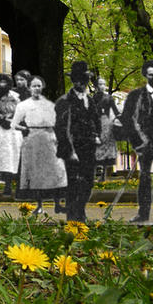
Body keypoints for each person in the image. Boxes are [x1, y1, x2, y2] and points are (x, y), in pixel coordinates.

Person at [121, 59, 153, 222]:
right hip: (143, 141)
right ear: (146, 75)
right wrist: (138, 142)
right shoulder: (135, 95)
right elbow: (127, 119)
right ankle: (142, 213)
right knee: (144, 177)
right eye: (151, 75)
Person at [12, 76, 66, 214]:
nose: (36, 88)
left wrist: (56, 137)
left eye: (38, 86)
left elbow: (57, 122)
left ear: (42, 87)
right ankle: (39, 205)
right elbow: (14, 124)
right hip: (33, 140)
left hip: (49, 138)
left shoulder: (49, 104)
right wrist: (25, 129)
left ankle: (57, 203)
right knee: (36, 174)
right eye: (33, 86)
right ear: (29, 88)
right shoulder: (23, 105)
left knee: (55, 171)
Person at [54, 62, 101, 222]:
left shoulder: (90, 100)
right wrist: (70, 151)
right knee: (73, 184)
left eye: (83, 79)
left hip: (89, 147)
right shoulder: (64, 101)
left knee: (88, 182)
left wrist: (96, 135)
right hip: (72, 148)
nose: (80, 83)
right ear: (73, 81)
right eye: (76, 80)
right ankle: (72, 218)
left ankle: (80, 212)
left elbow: (95, 120)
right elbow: (61, 128)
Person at [93, 77, 120, 180]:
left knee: (107, 148)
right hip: (96, 124)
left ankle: (103, 176)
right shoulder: (93, 98)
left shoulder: (109, 98)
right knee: (96, 148)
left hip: (107, 124)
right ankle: (94, 174)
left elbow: (116, 112)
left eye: (104, 84)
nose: (102, 86)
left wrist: (122, 118)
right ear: (96, 86)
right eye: (100, 84)